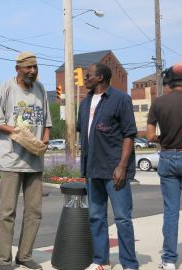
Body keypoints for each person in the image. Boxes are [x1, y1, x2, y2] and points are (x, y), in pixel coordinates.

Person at [0, 51, 52, 270]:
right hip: (11, 160)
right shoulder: (6, 88)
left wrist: (44, 139)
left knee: (34, 212)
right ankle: (3, 259)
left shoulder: (40, 88)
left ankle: (24, 256)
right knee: (8, 212)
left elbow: (47, 121)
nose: (32, 71)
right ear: (18, 69)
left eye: (35, 67)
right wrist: (18, 132)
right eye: (28, 68)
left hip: (34, 161)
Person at [77, 63, 139, 270]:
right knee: (96, 217)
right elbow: (85, 134)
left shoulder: (121, 99)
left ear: (101, 77)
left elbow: (129, 135)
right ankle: (100, 260)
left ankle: (129, 263)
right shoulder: (84, 103)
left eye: (88, 76)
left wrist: (122, 166)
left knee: (122, 218)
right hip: (92, 170)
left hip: (115, 171)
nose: (84, 79)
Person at [146, 62, 182, 270]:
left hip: (168, 157)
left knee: (171, 211)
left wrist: (164, 137)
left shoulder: (158, 103)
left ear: (169, 81)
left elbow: (150, 136)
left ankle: (169, 259)